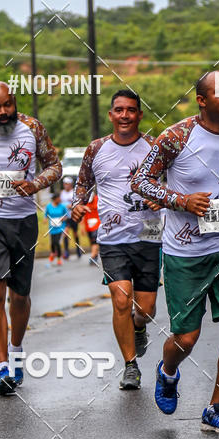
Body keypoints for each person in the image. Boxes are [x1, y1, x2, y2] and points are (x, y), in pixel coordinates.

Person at [131, 72, 219, 434]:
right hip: (185, 255)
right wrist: (181, 200)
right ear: (201, 99)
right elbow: (141, 181)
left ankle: (216, 408)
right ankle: (167, 371)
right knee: (186, 339)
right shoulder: (177, 137)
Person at [0, 81, 61, 394]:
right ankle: (2, 367)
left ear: (14, 101)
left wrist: (37, 184)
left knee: (19, 296)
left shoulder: (33, 128)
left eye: (8, 105)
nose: (4, 112)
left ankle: (17, 351)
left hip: (22, 222)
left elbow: (55, 166)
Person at [72, 90, 162, 389]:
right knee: (121, 299)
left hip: (149, 235)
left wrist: (160, 200)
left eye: (131, 110)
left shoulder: (153, 147)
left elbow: (169, 183)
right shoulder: (96, 149)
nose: (125, 115)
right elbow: (82, 183)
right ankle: (130, 365)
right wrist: (77, 204)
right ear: (111, 114)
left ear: (139, 115)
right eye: (119, 110)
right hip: (112, 239)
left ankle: (139, 328)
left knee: (146, 310)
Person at [44, 191, 68, 266]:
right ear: (55, 199)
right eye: (58, 198)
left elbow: (66, 215)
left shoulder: (62, 206)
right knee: (53, 243)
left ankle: (59, 259)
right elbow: (46, 214)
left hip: (61, 228)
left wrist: (63, 218)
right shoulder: (49, 206)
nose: (60, 199)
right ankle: (53, 253)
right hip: (52, 228)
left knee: (57, 243)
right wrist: (45, 219)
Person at [61, 176, 81, 259]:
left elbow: (78, 204)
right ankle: (66, 252)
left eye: (67, 184)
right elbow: (60, 205)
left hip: (73, 216)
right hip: (65, 217)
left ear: (71, 184)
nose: (66, 185)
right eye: (65, 184)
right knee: (65, 234)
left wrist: (71, 206)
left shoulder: (74, 192)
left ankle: (78, 250)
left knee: (75, 233)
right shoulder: (62, 193)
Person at [82, 193, 100, 265]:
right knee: (91, 241)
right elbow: (83, 214)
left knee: (94, 240)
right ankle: (95, 256)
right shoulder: (85, 201)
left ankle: (92, 256)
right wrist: (82, 227)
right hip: (88, 224)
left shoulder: (98, 199)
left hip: (97, 223)